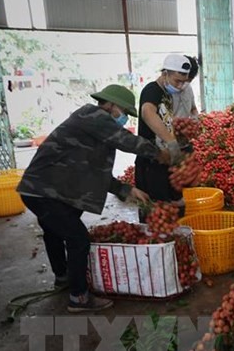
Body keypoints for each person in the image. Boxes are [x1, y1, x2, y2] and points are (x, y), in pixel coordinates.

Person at [17, 84, 171, 313]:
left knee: (55, 231)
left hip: (46, 189)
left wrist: (126, 190)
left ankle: (64, 278)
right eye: (123, 112)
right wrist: (160, 153)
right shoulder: (93, 115)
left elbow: (94, 172)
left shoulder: (94, 129)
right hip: (44, 190)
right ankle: (79, 297)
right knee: (78, 238)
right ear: (109, 104)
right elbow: (126, 141)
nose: (124, 118)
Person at [135, 54, 190, 221]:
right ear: (165, 74)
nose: (180, 86)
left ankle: (173, 243)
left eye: (183, 82)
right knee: (154, 213)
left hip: (165, 159)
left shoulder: (168, 94)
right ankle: (155, 246)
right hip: (150, 161)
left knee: (173, 207)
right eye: (177, 81)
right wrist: (171, 141)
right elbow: (148, 113)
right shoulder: (152, 90)